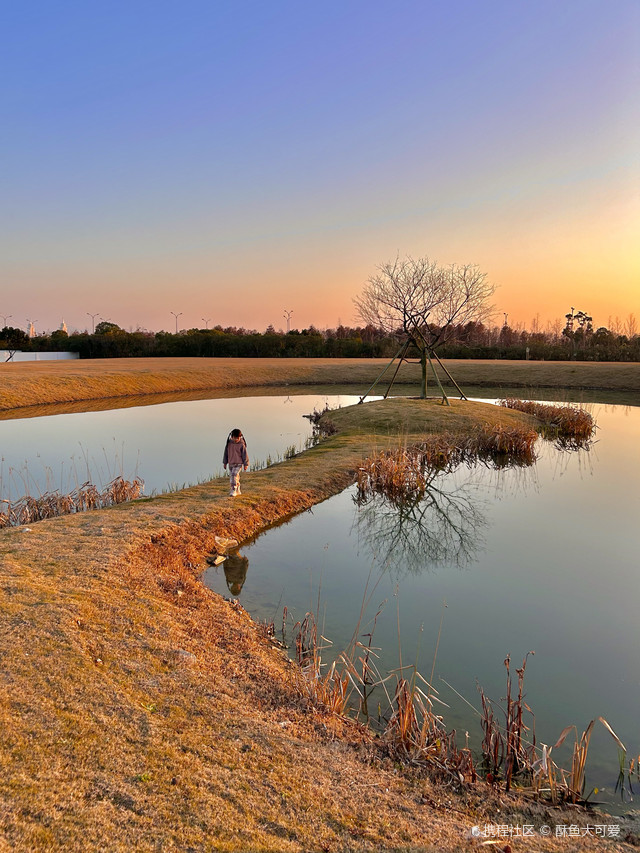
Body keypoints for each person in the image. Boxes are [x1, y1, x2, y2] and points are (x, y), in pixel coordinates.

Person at [223, 428, 249, 497]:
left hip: (239, 463)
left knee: (234, 475)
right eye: (235, 438)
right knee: (233, 476)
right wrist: (225, 463)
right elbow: (226, 453)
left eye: (238, 438)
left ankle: (233, 489)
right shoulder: (229, 444)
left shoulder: (241, 444)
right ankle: (237, 487)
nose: (236, 439)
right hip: (231, 463)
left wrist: (246, 464)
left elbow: (245, 454)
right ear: (232, 437)